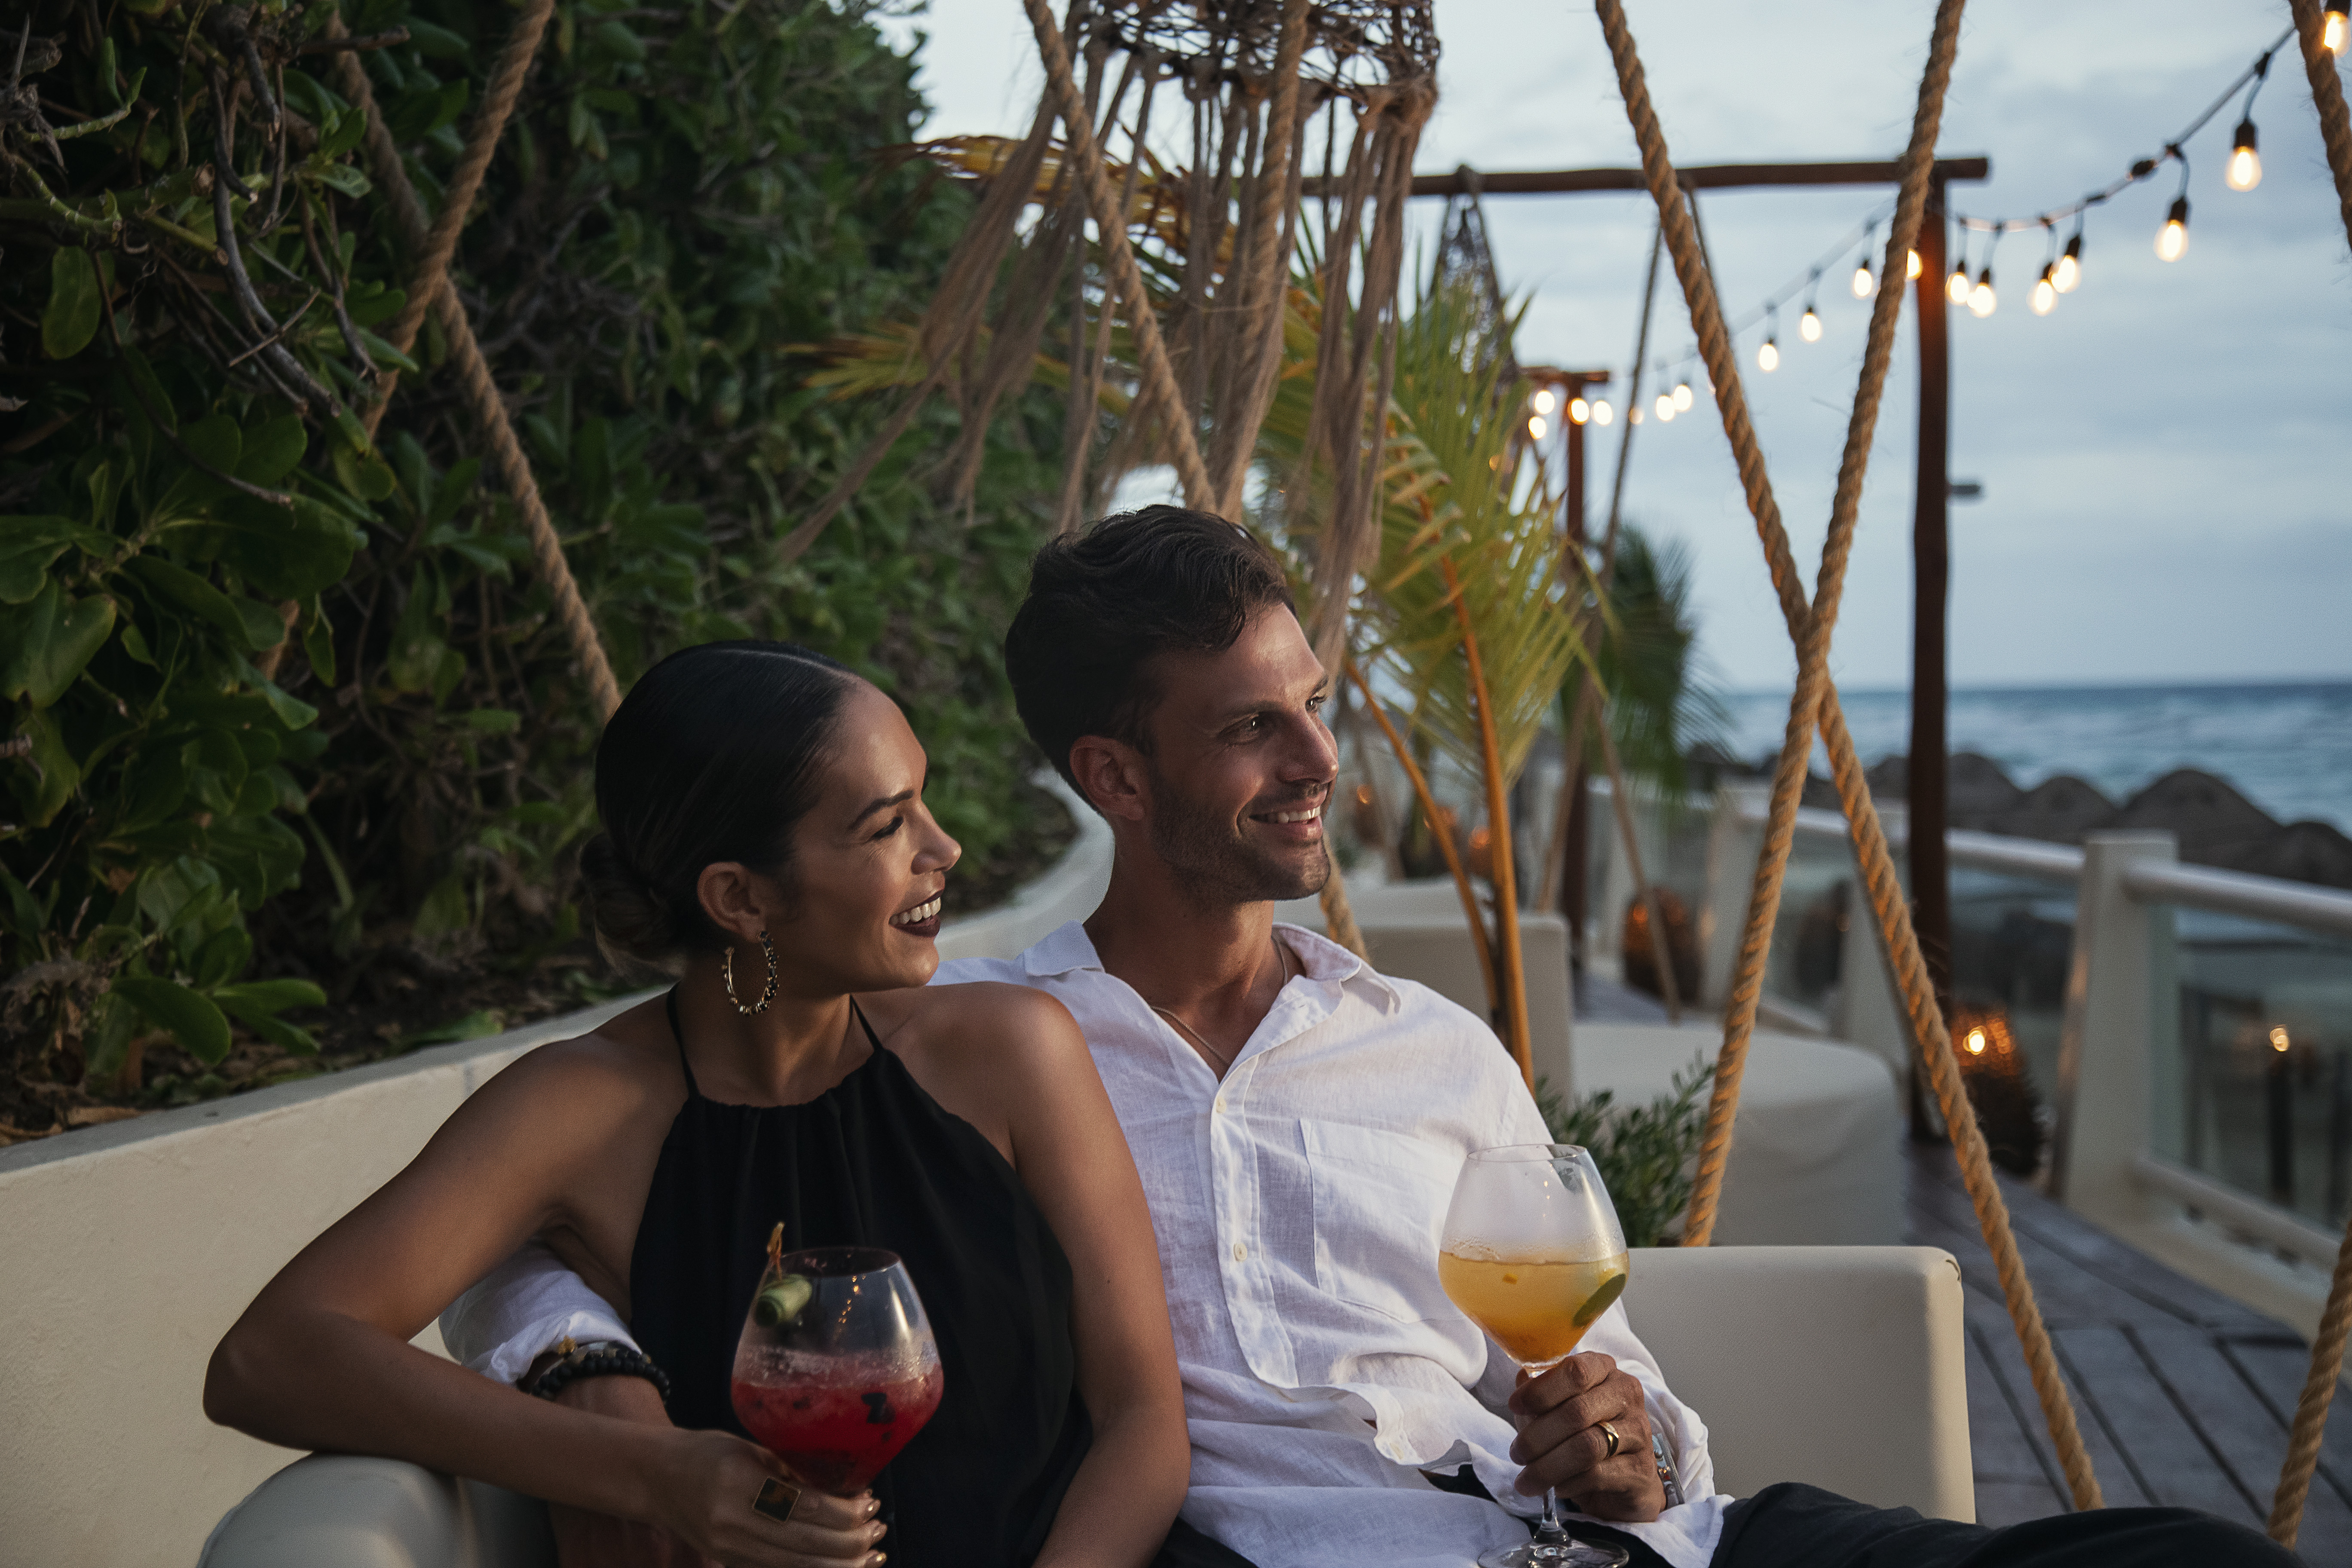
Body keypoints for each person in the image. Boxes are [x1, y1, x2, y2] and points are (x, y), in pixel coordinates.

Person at [451, 511, 2303, 1568]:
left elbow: (1613, 1367)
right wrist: (587, 1365)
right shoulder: (975, 1046)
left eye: (1319, 707)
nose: (1324, 765)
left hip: (1632, 1553)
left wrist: (1628, 1441)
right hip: (1318, 1563)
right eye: (1257, 729)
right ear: (1115, 774)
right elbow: (611, 1173)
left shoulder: (1425, 1043)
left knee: (2179, 1566)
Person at [205, 640, 1237, 1568]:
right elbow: (271, 1355)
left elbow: (1144, 1420)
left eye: (923, 799)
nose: (945, 848)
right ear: (741, 899)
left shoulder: (1012, 1051)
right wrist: (642, 1472)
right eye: (887, 827)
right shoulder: (587, 1108)